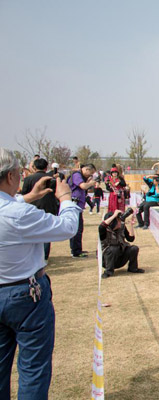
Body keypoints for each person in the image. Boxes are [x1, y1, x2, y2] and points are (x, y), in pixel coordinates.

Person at [0, 147, 80, 399]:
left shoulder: (15, 208)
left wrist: (27, 197)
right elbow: (67, 227)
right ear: (12, 176)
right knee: (33, 369)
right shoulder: (17, 214)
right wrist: (66, 198)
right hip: (25, 295)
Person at [20, 158, 60, 260]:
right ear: (46, 167)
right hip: (49, 206)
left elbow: (24, 194)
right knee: (47, 232)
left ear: (34, 167)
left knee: (33, 230)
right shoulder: (51, 178)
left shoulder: (28, 179)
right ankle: (45, 256)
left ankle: (34, 255)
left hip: (33, 207)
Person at [100, 210, 144, 278]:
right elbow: (102, 226)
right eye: (118, 220)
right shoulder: (104, 230)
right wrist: (114, 215)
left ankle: (133, 268)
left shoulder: (122, 227)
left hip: (120, 257)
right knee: (113, 249)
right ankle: (108, 271)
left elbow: (131, 239)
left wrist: (131, 225)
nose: (120, 222)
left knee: (134, 248)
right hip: (107, 260)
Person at [68, 163, 97, 258]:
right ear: (86, 169)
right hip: (74, 204)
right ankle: (76, 251)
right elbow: (83, 186)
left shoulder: (80, 175)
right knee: (77, 228)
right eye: (90, 173)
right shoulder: (77, 175)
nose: (90, 175)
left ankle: (77, 249)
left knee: (79, 228)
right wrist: (90, 183)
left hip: (78, 206)